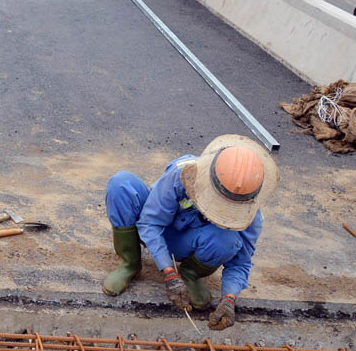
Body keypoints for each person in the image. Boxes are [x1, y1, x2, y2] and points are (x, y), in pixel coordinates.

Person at [101, 135, 277, 330]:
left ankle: (189, 274)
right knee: (121, 183)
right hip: (156, 230)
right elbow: (150, 223)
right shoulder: (183, 173)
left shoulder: (249, 214)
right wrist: (168, 272)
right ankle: (130, 264)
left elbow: (240, 263)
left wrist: (229, 298)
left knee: (228, 240)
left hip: (189, 242)